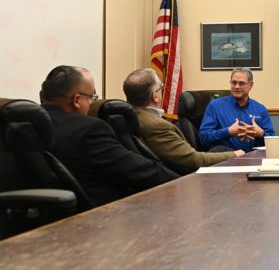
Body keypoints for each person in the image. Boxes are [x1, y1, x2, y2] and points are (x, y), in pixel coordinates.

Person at [40, 65, 179, 208]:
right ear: (76, 100)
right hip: (99, 218)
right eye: (91, 97)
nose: (92, 103)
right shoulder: (90, 130)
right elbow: (138, 170)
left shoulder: (28, 124)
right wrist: (182, 183)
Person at [122, 68, 244, 175]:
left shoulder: (126, 117)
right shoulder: (157, 126)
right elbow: (194, 161)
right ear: (155, 96)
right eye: (161, 87)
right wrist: (235, 155)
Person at [199, 67, 275, 152]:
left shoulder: (260, 109)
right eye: (234, 83)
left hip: (253, 159)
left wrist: (261, 134)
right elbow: (203, 137)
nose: (236, 86)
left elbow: (273, 141)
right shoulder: (215, 106)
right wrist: (228, 132)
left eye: (241, 83)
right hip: (225, 159)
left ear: (251, 85)